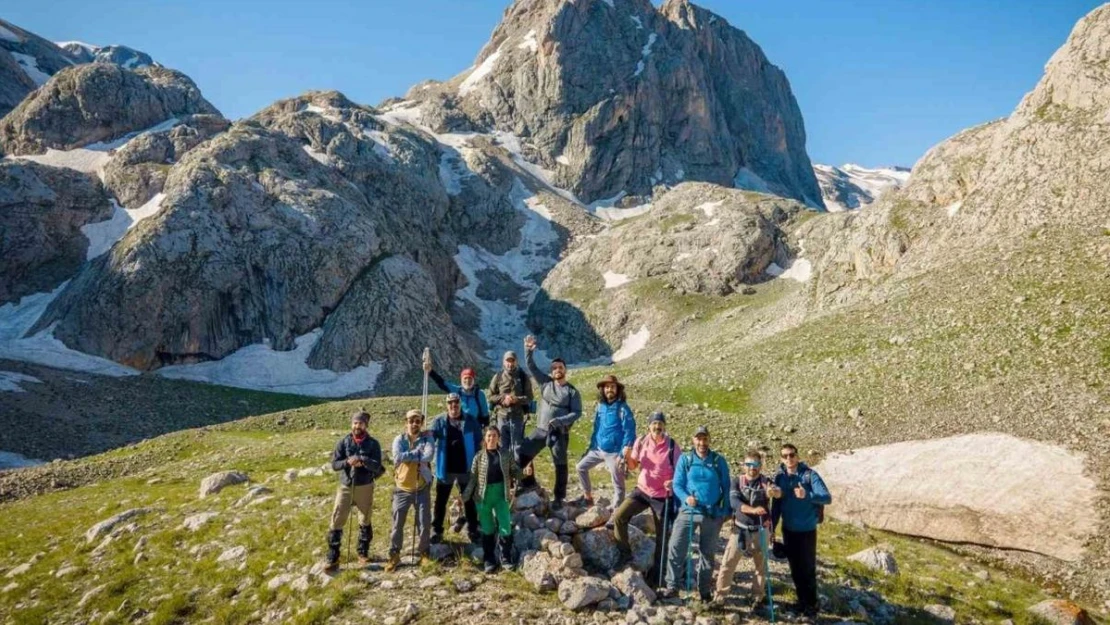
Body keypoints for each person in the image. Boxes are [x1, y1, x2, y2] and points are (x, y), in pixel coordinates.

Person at [660, 426, 731, 602]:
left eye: (704, 438)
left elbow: (727, 486)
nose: (702, 442)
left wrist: (725, 511)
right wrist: (685, 498)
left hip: (711, 513)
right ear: (693, 440)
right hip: (688, 511)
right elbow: (677, 485)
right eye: (698, 439)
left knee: (707, 553)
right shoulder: (686, 459)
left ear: (709, 439)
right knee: (676, 547)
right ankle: (672, 586)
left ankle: (704, 591)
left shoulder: (718, 461)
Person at [612, 411, 682, 586]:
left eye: (660, 424)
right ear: (649, 426)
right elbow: (633, 465)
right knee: (619, 516)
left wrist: (673, 482)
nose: (657, 427)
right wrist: (628, 456)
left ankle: (658, 576)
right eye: (654, 424)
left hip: (662, 496)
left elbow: (681, 472)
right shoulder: (641, 441)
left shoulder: (673, 446)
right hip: (642, 491)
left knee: (662, 535)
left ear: (664, 426)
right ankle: (625, 556)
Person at [517, 334, 582, 509]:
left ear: (565, 370)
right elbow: (531, 366)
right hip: (540, 429)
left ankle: (559, 497)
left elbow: (577, 412)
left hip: (559, 433)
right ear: (551, 371)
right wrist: (528, 350)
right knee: (522, 454)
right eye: (554, 368)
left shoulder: (572, 392)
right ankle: (523, 483)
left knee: (560, 464)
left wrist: (560, 421)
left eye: (560, 367)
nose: (557, 370)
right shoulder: (545, 383)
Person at [771, 443, 832, 619]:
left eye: (791, 455)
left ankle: (811, 605)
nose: (788, 459)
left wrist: (808, 495)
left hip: (806, 531)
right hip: (788, 530)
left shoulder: (809, 475)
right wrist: (772, 528)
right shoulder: (780, 478)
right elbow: (776, 505)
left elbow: (827, 498)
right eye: (785, 456)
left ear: (797, 456)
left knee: (808, 569)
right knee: (795, 569)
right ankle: (801, 602)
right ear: (781, 458)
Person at [715, 449, 781, 605]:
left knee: (761, 566)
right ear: (743, 466)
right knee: (728, 563)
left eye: (756, 464)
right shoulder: (737, 482)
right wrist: (753, 510)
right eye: (749, 464)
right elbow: (735, 503)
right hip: (740, 529)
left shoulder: (766, 482)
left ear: (760, 465)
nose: (753, 467)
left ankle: (757, 596)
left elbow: (777, 493)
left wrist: (774, 492)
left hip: (761, 530)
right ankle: (720, 596)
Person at [324, 409, 384, 572]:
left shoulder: (373, 444)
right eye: (355, 423)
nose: (357, 426)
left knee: (365, 519)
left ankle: (363, 553)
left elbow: (378, 466)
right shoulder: (343, 442)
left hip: (365, 485)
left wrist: (363, 460)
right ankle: (333, 556)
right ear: (352, 424)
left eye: (361, 423)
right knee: (337, 519)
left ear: (366, 425)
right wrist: (348, 462)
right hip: (345, 486)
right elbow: (335, 465)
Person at [462, 426, 524, 573]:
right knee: (487, 527)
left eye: (494, 435)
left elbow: (514, 471)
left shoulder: (505, 454)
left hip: (501, 494)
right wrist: (464, 496)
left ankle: (505, 558)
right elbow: (472, 479)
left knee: (505, 525)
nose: (491, 438)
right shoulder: (478, 457)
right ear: (485, 438)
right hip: (483, 496)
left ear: (499, 438)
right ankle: (489, 559)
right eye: (489, 436)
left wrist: (524, 473)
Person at [428, 393, 483, 544]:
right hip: (445, 469)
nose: (453, 406)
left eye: (456, 403)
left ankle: (472, 528)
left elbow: (479, 441)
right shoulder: (439, 421)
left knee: (469, 500)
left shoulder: (470, 420)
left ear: (460, 404)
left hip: (466, 468)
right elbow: (430, 437)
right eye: (450, 403)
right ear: (447, 405)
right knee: (441, 501)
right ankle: (436, 529)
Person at [575, 374, 636, 507]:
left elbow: (630, 431)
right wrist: (591, 447)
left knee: (618, 485)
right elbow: (596, 428)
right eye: (607, 387)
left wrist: (622, 454)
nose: (609, 390)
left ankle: (616, 512)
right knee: (580, 467)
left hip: (615, 453)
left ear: (617, 390)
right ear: (602, 390)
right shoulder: (600, 407)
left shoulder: (623, 408)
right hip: (598, 450)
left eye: (612, 387)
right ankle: (588, 497)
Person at [387, 409, 435, 572]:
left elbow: (428, 456)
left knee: (424, 522)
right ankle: (394, 554)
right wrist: (416, 453)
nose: (414, 423)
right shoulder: (398, 439)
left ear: (421, 422)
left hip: (421, 487)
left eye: (418, 421)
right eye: (411, 420)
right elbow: (397, 457)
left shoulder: (427, 438)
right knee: (397, 523)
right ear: (405, 422)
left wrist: (409, 456)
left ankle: (424, 553)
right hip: (402, 488)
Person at [487, 350, 532, 458]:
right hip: (502, 417)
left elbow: (529, 397)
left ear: (516, 362)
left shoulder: (523, 377)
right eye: (508, 361)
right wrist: (503, 398)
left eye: (512, 361)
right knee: (502, 447)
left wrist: (516, 399)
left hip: (518, 418)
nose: (510, 364)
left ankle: (516, 472)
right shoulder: (497, 377)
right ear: (503, 362)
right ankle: (504, 473)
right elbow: (490, 396)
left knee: (517, 447)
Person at [425, 358, 490, 429]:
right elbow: (442, 383)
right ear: (461, 380)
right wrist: (430, 371)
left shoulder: (479, 394)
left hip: (474, 427)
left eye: (470, 378)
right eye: (465, 378)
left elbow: (485, 414)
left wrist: (485, 428)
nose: (467, 381)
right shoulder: (457, 390)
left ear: (473, 380)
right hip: (458, 426)